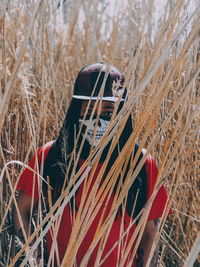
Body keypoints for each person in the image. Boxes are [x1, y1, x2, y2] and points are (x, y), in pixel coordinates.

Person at [13, 62, 171, 266]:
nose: (97, 122)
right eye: (88, 112)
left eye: (107, 114)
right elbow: (22, 210)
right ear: (75, 112)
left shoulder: (140, 163)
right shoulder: (52, 155)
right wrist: (33, 259)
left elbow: (150, 232)